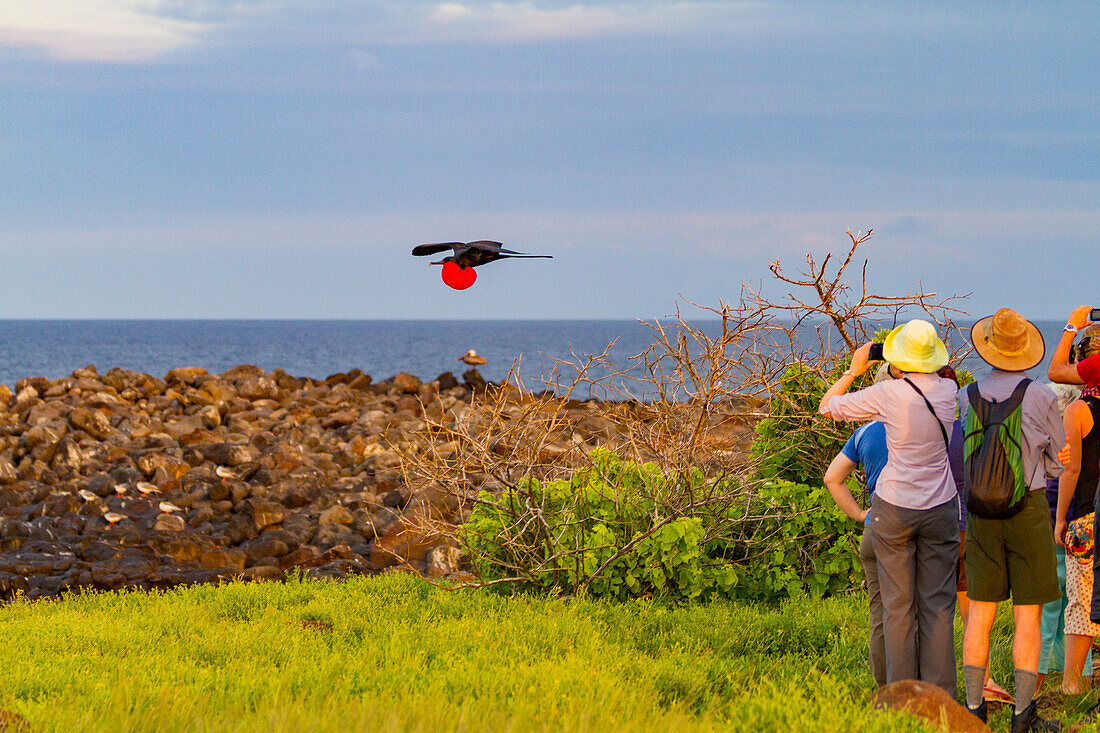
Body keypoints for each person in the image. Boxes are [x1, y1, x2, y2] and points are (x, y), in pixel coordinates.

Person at [819, 319, 959, 696]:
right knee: (938, 606)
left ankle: (901, 701)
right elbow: (942, 377)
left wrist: (854, 369)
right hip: (941, 505)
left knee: (897, 607)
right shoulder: (949, 390)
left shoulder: (890, 395)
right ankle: (940, 698)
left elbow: (827, 408)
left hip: (894, 506)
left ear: (898, 361)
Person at [959, 308, 1064, 732]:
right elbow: (1056, 465)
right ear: (1024, 352)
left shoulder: (966, 394)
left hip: (981, 514)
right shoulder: (1041, 396)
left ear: (989, 347)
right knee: (1028, 616)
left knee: (980, 614)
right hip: (1029, 510)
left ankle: (972, 711)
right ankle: (1023, 716)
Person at [1049, 306, 1100, 695]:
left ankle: (1072, 683)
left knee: (1080, 603)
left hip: (1086, 516)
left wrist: (1060, 519)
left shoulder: (1080, 409)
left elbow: (1071, 471)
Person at [824, 415, 888, 687]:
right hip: (911, 525)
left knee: (879, 615)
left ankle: (885, 690)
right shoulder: (921, 421)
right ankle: (917, 689)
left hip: (875, 528)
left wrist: (861, 515)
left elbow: (832, 478)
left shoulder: (864, 433)